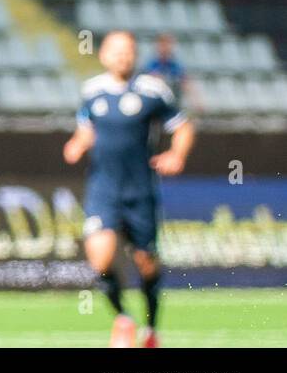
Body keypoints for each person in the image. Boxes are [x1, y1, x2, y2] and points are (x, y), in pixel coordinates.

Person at [63, 30, 195, 348]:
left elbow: (183, 126)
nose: (123, 56)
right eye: (116, 50)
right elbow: (85, 128)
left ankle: (150, 329)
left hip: (140, 193)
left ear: (135, 54)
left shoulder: (153, 91)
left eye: (128, 50)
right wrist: (77, 144)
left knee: (146, 262)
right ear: (104, 55)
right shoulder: (92, 91)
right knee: (100, 258)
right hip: (103, 191)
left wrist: (177, 155)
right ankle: (123, 319)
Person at [140, 33, 202, 117]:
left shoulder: (175, 65)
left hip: (172, 105)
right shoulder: (151, 64)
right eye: (164, 44)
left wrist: (196, 102)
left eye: (169, 44)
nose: (166, 48)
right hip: (154, 105)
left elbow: (186, 82)